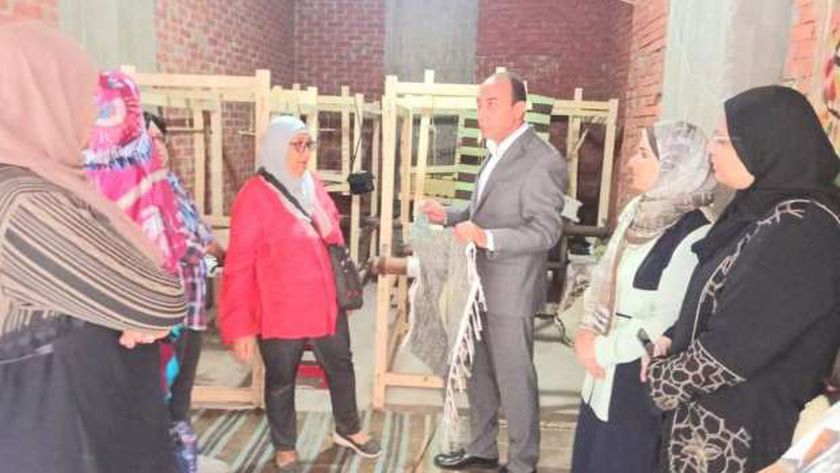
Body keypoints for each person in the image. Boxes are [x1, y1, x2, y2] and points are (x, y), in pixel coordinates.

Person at [0, 20, 186, 473]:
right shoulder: (23, 203)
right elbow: (161, 298)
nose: (90, 111)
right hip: (57, 442)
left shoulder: (47, 181)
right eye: (81, 95)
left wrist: (129, 308)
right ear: (40, 97)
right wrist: (136, 311)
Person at [646, 86, 840, 472]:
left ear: (766, 143)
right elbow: (721, 296)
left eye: (722, 139)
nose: (710, 149)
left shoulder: (802, 228)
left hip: (743, 437)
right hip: (709, 424)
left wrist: (663, 379)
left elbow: (737, 347)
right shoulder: (759, 210)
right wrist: (674, 335)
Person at [220, 116, 380, 472]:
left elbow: (332, 233)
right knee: (281, 379)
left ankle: (348, 428)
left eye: (308, 144)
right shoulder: (253, 196)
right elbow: (239, 267)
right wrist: (240, 327)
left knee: (341, 365)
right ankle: (286, 446)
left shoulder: (312, 185)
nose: (305, 153)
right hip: (280, 309)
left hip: (324, 303)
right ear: (277, 147)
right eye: (297, 145)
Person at [427, 72, 567, 473]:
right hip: (479, 286)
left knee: (514, 380)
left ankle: (522, 463)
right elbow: (483, 211)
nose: (481, 113)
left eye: (491, 104)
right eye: (479, 104)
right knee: (480, 375)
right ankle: (482, 448)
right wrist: (448, 214)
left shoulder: (542, 160)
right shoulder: (495, 151)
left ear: (519, 109)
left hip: (511, 289)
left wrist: (486, 237)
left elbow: (546, 231)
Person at [571, 121, 716, 472]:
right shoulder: (636, 212)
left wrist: (600, 351)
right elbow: (603, 277)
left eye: (642, 154)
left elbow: (666, 320)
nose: (631, 163)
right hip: (598, 373)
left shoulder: (695, 233)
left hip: (635, 383)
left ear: (673, 166)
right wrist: (587, 331)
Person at [146, 112, 228, 473]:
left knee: (181, 395)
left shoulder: (174, 186)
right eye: (148, 140)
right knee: (158, 396)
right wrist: (212, 252)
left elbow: (205, 244)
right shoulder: (142, 195)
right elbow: (186, 246)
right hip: (164, 318)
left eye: (161, 139)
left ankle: (182, 459)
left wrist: (214, 256)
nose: (158, 147)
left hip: (193, 310)